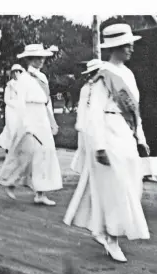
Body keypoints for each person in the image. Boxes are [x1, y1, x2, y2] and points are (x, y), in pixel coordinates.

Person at [76, 23, 151, 262]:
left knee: (131, 184)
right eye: (127, 45)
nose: (131, 48)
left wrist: (141, 137)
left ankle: (109, 230)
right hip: (107, 132)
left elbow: (134, 110)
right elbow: (94, 113)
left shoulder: (128, 74)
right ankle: (111, 237)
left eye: (131, 44)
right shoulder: (102, 76)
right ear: (115, 47)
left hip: (125, 133)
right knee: (115, 187)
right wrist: (99, 146)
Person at [0, 44, 62, 206]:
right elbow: (20, 103)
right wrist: (26, 124)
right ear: (29, 60)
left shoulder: (43, 78)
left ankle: (41, 192)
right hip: (29, 116)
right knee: (24, 152)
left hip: (42, 115)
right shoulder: (23, 79)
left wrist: (52, 121)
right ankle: (9, 181)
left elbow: (47, 102)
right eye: (37, 58)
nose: (41, 60)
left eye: (42, 57)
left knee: (45, 153)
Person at [63, 59, 109, 245]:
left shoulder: (101, 87)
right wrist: (82, 128)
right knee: (90, 166)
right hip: (89, 128)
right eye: (94, 72)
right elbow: (84, 111)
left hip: (99, 128)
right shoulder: (86, 89)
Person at [0, 64, 24, 152]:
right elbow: (6, 99)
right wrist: (14, 104)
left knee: (20, 127)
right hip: (11, 109)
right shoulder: (9, 85)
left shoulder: (23, 84)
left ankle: (18, 148)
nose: (16, 74)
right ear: (11, 74)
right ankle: (10, 147)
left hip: (20, 109)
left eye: (18, 72)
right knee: (11, 127)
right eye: (14, 72)